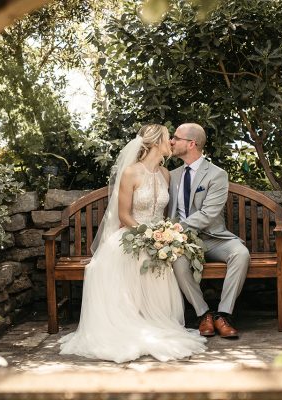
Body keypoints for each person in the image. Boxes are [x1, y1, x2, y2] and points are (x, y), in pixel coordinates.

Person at [58, 124, 206, 363]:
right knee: (137, 258)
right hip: (132, 235)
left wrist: (164, 236)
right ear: (156, 142)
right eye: (168, 138)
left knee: (158, 259)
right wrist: (146, 235)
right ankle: (129, 323)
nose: (171, 143)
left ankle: (153, 321)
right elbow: (124, 214)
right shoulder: (131, 173)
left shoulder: (165, 174)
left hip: (158, 239)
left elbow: (165, 213)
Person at [169, 123, 250, 339]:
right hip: (183, 240)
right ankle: (203, 313)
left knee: (240, 254)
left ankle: (223, 315)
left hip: (214, 238)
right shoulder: (172, 175)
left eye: (176, 137)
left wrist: (176, 228)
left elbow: (208, 214)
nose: (171, 141)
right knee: (178, 262)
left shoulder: (217, 175)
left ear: (191, 143)